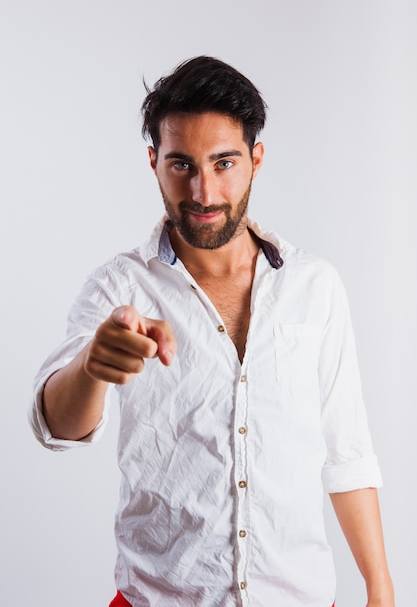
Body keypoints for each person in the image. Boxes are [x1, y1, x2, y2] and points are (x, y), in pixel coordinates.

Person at [29, 56, 394, 607]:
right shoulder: (118, 287)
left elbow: (347, 453)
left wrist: (380, 588)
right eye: (181, 165)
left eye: (224, 163)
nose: (202, 191)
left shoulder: (315, 286)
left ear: (256, 159)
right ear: (153, 162)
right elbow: (56, 423)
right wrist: (91, 367)